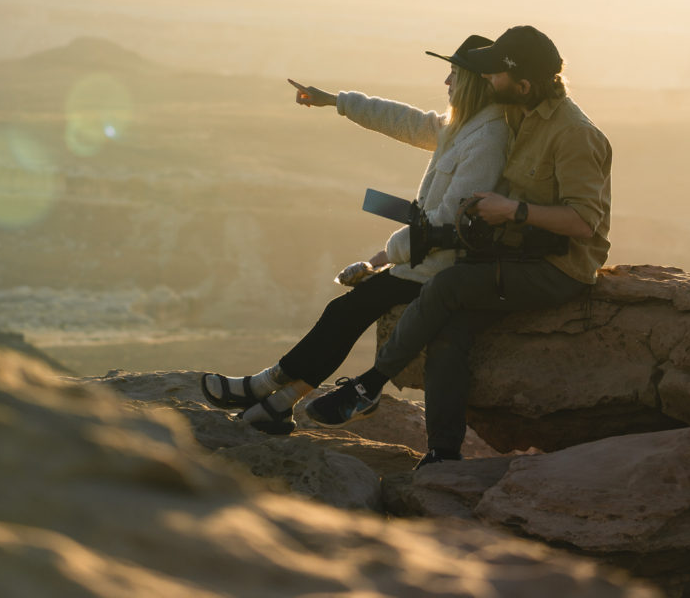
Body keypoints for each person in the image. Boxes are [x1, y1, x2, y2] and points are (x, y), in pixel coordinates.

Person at [306, 25, 612, 470]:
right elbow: (422, 124)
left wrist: (513, 209)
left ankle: (369, 384)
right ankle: (442, 453)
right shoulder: (512, 114)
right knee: (449, 334)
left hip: (557, 268)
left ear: (523, 85)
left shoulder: (573, 135)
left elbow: (584, 223)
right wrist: (338, 101)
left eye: (495, 75)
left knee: (447, 287)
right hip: (514, 256)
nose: (487, 80)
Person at [200, 34, 510, 434]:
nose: (447, 84)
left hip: (440, 269)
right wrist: (336, 101)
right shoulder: (463, 126)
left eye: (453, 75)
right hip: (426, 258)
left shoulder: (487, 139)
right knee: (346, 313)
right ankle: (278, 403)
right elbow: (404, 120)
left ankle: (264, 386)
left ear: (473, 81)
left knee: (343, 312)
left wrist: (383, 258)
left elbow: (447, 224)